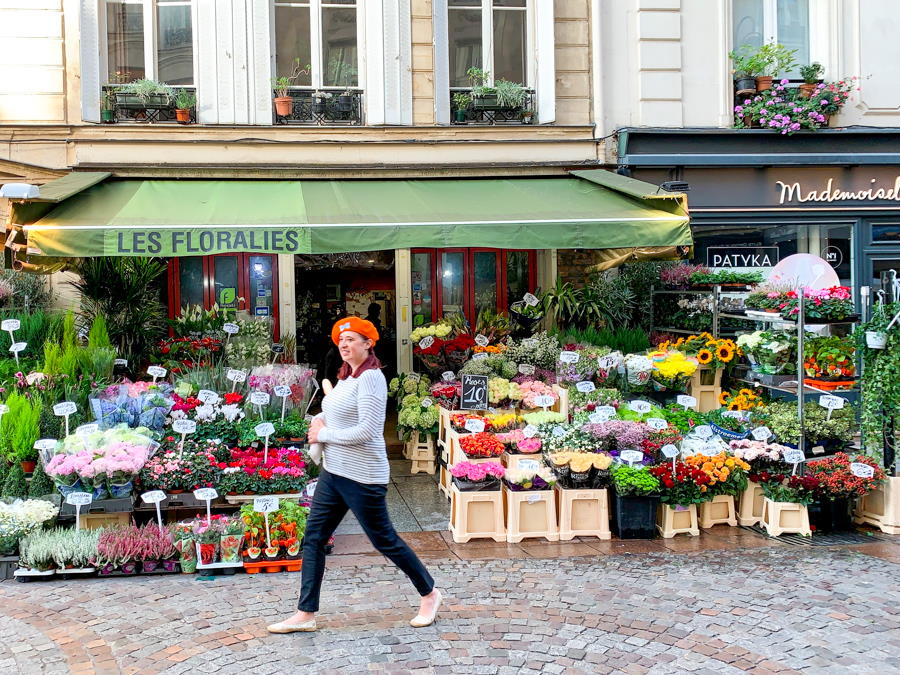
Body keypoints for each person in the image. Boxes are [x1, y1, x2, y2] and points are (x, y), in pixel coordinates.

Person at [267, 316, 442, 634]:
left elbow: (368, 431)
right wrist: (318, 419)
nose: (345, 344)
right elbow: (336, 412)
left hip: (363, 475)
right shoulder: (346, 376)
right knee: (314, 539)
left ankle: (429, 594)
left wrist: (323, 435)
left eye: (352, 339)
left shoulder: (372, 378)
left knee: (385, 540)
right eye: (341, 339)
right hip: (334, 472)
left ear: (368, 343)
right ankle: (305, 613)